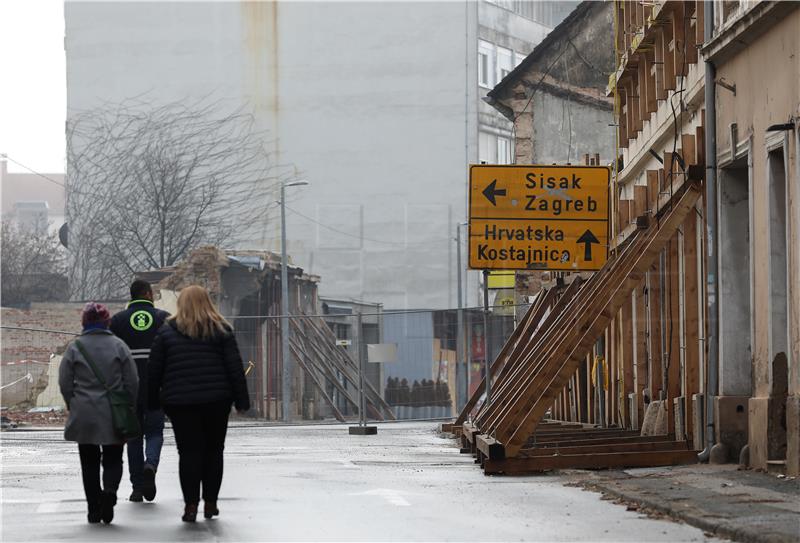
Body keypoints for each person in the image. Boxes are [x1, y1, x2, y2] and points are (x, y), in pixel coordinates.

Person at [148, 285, 250, 522]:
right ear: (208, 302)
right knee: (214, 451)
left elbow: (154, 370)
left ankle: (191, 505)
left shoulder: (166, 333)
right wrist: (241, 400)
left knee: (188, 453)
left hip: (180, 403)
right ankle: (210, 503)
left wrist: (152, 400)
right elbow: (234, 367)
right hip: (216, 401)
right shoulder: (222, 330)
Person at [59, 302, 138, 524]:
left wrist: (71, 402)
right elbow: (132, 380)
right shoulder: (119, 346)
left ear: (84, 323)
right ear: (107, 322)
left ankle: (93, 508)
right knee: (113, 458)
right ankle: (110, 493)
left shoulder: (75, 348)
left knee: (89, 462)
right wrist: (129, 405)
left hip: (84, 412)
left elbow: (65, 381)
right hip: (113, 412)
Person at [110, 279, 169, 503]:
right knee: (154, 432)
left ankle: (136, 488)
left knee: (134, 438)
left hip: (128, 389)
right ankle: (150, 465)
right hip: (156, 387)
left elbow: (112, 355)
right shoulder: (163, 318)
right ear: (147, 293)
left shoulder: (118, 320)